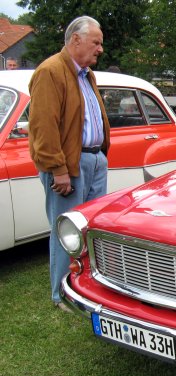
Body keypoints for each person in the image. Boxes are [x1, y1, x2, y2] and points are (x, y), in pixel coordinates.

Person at [29, 16, 110, 310]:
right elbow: (43, 126)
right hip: (69, 167)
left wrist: (101, 156)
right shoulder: (51, 71)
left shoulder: (86, 74)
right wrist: (58, 169)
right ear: (76, 39)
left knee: (92, 229)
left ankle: (86, 286)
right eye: (96, 42)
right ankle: (61, 293)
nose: (100, 49)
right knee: (67, 230)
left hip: (94, 160)